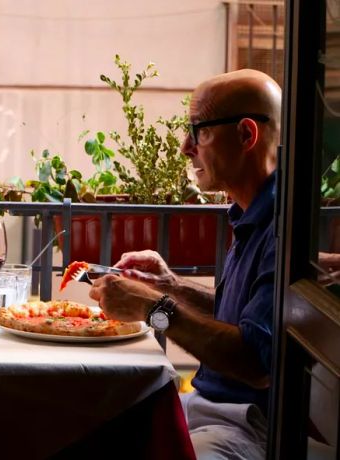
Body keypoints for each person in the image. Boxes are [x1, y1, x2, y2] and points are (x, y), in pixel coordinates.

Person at [89, 69, 281, 460]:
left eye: (199, 130)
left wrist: (151, 307)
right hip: (206, 408)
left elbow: (255, 361)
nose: (185, 147)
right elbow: (243, 322)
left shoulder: (282, 228)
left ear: (247, 135)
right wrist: (169, 285)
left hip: (247, 426)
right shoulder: (251, 214)